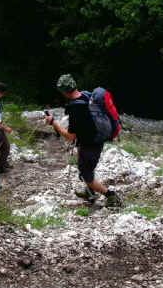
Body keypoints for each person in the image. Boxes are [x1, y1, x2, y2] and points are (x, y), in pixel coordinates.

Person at [45, 74, 122, 207]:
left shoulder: (76, 108)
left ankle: (112, 197)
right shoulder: (86, 95)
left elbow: (70, 137)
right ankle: (89, 192)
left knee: (86, 175)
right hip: (95, 141)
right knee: (85, 168)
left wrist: (53, 123)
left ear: (63, 91)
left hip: (90, 145)